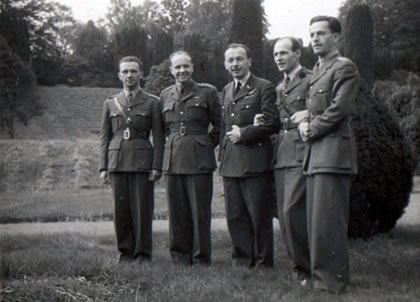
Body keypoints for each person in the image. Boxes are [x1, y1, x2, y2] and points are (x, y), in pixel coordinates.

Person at [299, 16, 359, 293]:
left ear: (336, 36)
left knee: (329, 222)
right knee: (317, 221)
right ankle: (321, 278)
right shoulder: (317, 70)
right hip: (316, 156)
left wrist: (311, 129)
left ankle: (331, 282)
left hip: (333, 153)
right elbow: (314, 110)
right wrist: (305, 121)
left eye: (321, 33)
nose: (315, 39)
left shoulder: (344, 67)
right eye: (312, 34)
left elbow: (338, 109)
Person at [99, 56, 164, 264]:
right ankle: (124, 253)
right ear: (119, 75)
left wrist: (156, 165)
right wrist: (103, 167)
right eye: (125, 71)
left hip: (142, 161)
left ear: (141, 74)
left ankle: (143, 254)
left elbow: (159, 137)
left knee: (143, 210)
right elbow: (104, 137)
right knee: (121, 211)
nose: (129, 75)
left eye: (133, 71)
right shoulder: (110, 103)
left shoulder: (152, 102)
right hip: (117, 161)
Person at [219, 43, 280, 268]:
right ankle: (243, 261)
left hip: (255, 161)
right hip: (231, 161)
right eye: (230, 60)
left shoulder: (264, 87)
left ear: (249, 61)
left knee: (259, 216)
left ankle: (264, 262)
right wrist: (222, 157)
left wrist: (244, 133)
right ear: (225, 64)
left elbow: (273, 122)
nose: (235, 64)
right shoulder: (226, 89)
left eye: (239, 59)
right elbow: (223, 125)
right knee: (235, 216)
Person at [160, 51, 222, 266]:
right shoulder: (165, 95)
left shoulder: (208, 92)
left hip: (199, 159)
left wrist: (204, 145)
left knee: (199, 211)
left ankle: (201, 257)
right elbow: (165, 129)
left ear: (193, 67)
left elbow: (219, 126)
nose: (182, 71)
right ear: (171, 70)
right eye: (177, 67)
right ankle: (179, 257)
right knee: (177, 211)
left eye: (185, 66)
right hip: (174, 158)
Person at [270, 37, 312, 282]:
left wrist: (309, 114)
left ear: (298, 53)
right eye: (276, 54)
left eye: (284, 53)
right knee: (285, 216)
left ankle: (307, 267)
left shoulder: (310, 79)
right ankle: (299, 269)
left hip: (301, 150)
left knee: (293, 211)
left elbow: (321, 106)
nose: (278, 58)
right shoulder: (279, 87)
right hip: (282, 152)